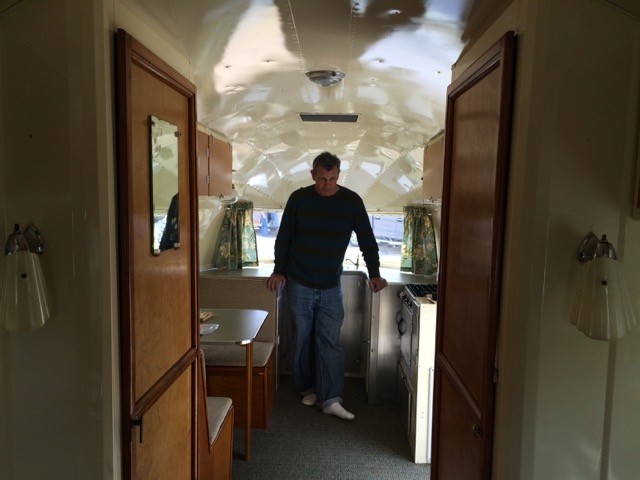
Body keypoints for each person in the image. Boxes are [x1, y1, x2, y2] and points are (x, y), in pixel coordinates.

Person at [265, 151, 388, 420]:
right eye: (322, 179)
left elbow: (367, 240)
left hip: (331, 285)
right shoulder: (299, 199)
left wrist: (375, 273)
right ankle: (309, 387)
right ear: (313, 175)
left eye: (332, 179)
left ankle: (331, 397)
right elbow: (283, 237)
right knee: (301, 341)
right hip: (299, 282)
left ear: (338, 176)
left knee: (329, 341)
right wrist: (279, 271)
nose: (327, 184)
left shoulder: (351, 201)